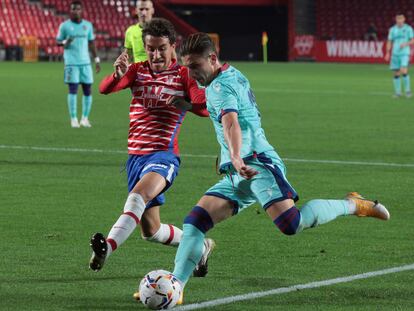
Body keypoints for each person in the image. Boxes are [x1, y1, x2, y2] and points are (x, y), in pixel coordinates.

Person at [167, 33, 391, 298]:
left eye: (195, 66)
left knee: (290, 223)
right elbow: (219, 110)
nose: (191, 74)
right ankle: (175, 286)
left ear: (212, 58)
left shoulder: (218, 88)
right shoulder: (228, 74)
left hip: (256, 164)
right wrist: (191, 106)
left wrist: (236, 156)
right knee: (195, 222)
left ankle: (353, 204)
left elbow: (231, 122)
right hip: (238, 172)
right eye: (187, 67)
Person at [89, 19, 214, 282]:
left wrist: (187, 104)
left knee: (138, 196)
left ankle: (107, 249)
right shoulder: (137, 70)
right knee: (151, 231)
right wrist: (117, 74)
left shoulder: (182, 75)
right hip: (135, 158)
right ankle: (201, 247)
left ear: (172, 46)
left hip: (163, 155)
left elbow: (204, 105)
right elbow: (104, 89)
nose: (155, 54)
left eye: (161, 48)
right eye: (150, 49)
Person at [56, 0, 101, 128]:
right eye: (73, 9)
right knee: (73, 90)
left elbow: (91, 43)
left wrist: (96, 60)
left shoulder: (88, 25)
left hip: (86, 63)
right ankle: (74, 119)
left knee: (88, 90)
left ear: (81, 10)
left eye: (77, 9)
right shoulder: (64, 26)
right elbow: (58, 42)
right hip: (71, 63)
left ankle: (85, 118)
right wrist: (65, 42)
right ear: (70, 11)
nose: (75, 11)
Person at [385, 13, 414, 98]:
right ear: (396, 19)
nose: (399, 20)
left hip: (405, 53)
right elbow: (389, 41)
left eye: (401, 19)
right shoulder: (392, 29)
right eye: (398, 19)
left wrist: (406, 43)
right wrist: (387, 53)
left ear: (404, 19)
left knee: (403, 70)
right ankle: (398, 92)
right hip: (395, 54)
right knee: (396, 73)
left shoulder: (408, 29)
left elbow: (413, 40)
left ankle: (408, 91)